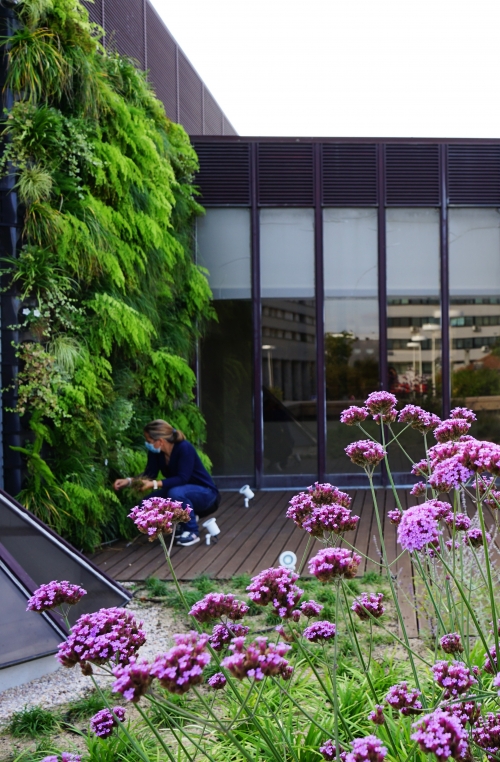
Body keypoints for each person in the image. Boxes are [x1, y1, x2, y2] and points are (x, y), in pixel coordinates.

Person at [114, 420, 220, 547]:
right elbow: (150, 474)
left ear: (160, 441)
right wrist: (129, 481)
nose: (147, 444)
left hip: (206, 495)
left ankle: (192, 532)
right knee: (146, 505)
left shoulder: (184, 448)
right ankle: (181, 522)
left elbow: (182, 478)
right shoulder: (156, 452)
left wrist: (154, 484)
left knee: (175, 493)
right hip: (181, 493)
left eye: (149, 440)